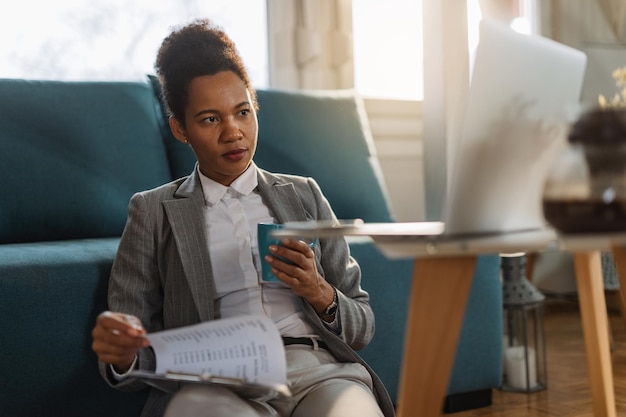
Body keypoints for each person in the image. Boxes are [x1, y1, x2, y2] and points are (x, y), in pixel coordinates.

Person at [91, 19, 394, 417]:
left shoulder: (304, 194)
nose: (233, 132)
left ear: (255, 107)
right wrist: (123, 353)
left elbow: (362, 325)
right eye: (210, 119)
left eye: (242, 112)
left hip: (319, 372)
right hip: (217, 384)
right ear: (180, 128)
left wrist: (319, 291)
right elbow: (132, 346)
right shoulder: (152, 211)